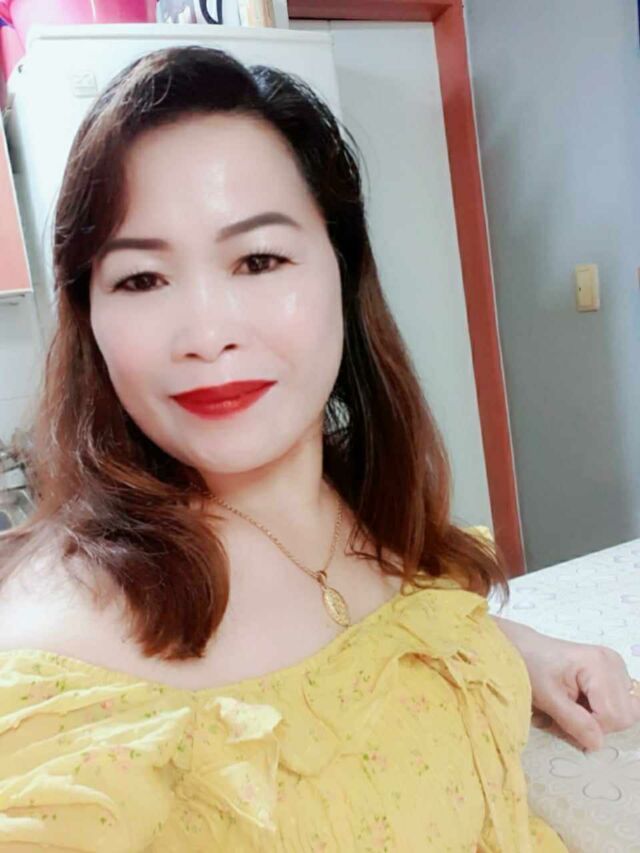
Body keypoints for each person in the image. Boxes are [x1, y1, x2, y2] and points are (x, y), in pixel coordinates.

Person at [0, 45, 637, 851]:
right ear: (89, 316)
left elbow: (372, 649)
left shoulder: (366, 493)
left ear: (342, 269)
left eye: (258, 259)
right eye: (141, 279)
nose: (207, 334)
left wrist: (527, 649)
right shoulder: (43, 670)